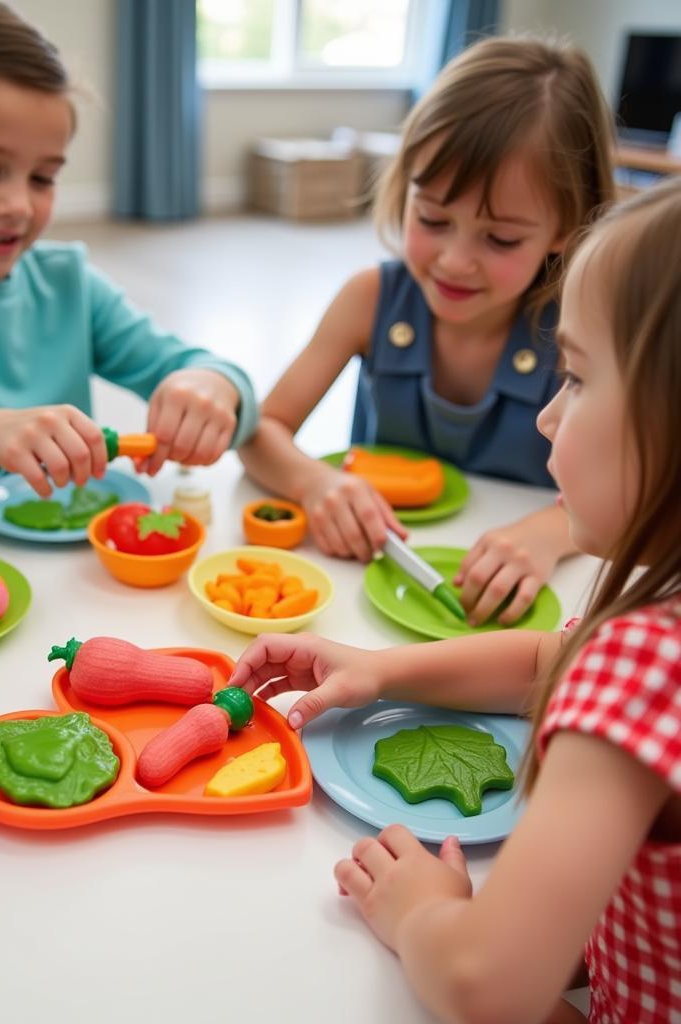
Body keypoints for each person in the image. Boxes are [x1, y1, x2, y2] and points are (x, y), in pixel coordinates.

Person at [230, 178, 681, 1023]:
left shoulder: (649, 658)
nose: (549, 417)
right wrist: (378, 671)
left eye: (577, 379)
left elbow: (482, 985)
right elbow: (551, 659)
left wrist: (425, 913)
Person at [239, 36, 616, 626]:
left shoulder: (586, 332)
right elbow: (261, 428)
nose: (454, 261)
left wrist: (549, 531)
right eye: (433, 219)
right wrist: (314, 483)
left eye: (501, 238)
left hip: (508, 616)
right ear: (406, 186)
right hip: (366, 590)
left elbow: (644, 489)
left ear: (568, 225)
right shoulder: (370, 299)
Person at [0, 0, 256, 510]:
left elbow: (199, 370)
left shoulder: (68, 280)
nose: (17, 206)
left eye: (43, 178)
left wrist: (211, 387)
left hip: (53, 543)